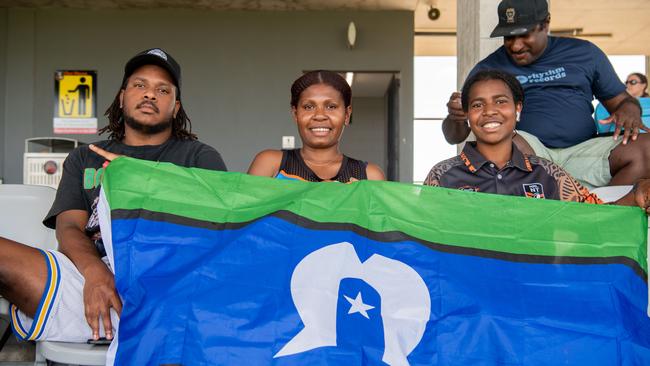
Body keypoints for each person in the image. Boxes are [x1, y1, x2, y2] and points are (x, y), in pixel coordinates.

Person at [0, 48, 227, 344]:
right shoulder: (85, 157)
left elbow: (219, 232)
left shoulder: (199, 156)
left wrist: (139, 178)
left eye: (163, 90)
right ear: (122, 97)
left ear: (175, 106)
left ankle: (136, 332)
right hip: (85, 277)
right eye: (139, 85)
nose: (150, 95)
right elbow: (68, 228)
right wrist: (95, 274)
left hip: (166, 285)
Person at [442, 0, 649, 189]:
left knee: (646, 147)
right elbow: (454, 136)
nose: (515, 45)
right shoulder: (487, 69)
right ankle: (547, 215)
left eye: (524, 34)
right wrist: (456, 117)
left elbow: (622, 101)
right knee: (502, 143)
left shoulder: (584, 53)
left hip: (584, 151)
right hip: (527, 155)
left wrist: (629, 110)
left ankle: (598, 216)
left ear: (546, 23)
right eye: (509, 37)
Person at [427, 69, 650, 212]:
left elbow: (593, 216)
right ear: (466, 114)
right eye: (477, 105)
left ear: (518, 109)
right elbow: (420, 232)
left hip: (537, 283)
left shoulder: (548, 173)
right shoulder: (443, 175)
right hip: (467, 284)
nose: (489, 111)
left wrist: (634, 197)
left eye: (501, 102)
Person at [247, 70, 385, 182]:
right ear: (295, 114)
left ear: (347, 115)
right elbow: (244, 214)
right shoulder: (270, 164)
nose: (319, 115)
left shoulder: (369, 176)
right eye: (308, 107)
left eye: (331, 106)